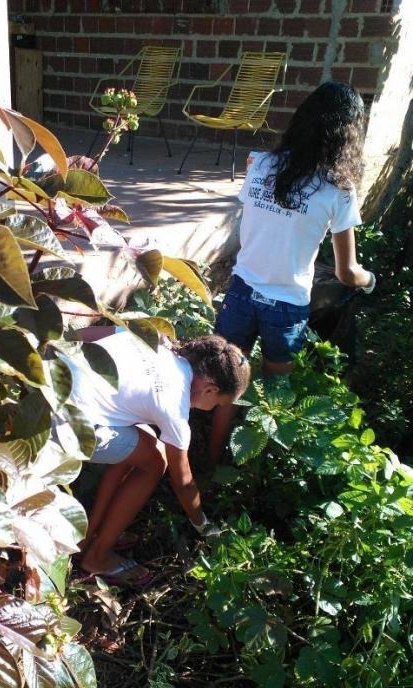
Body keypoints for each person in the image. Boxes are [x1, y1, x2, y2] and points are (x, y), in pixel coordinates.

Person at [210, 81, 376, 463]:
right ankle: (256, 472)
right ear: (348, 135)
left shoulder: (259, 164)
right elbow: (347, 272)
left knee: (226, 386)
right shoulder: (338, 191)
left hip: (240, 293)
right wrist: (370, 281)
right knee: (274, 398)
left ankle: (212, 462)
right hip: (284, 309)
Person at [63, 328, 251, 587]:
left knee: (142, 441)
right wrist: (203, 526)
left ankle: (92, 533)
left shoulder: (151, 339)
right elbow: (183, 483)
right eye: (218, 403)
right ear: (210, 389)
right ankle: (97, 556)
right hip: (66, 427)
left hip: (49, 386)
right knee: (155, 462)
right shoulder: (174, 406)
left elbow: (82, 335)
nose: (213, 409)